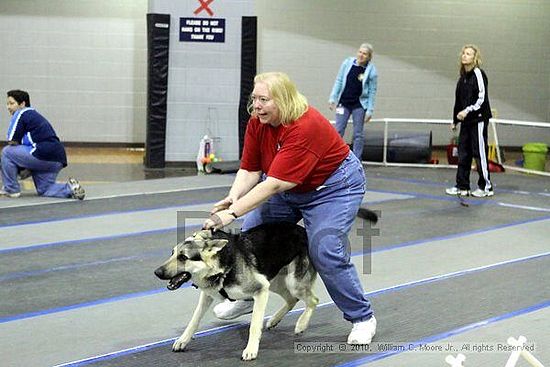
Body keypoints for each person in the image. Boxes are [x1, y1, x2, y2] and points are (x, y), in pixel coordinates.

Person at [203, 72, 376, 345]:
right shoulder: (257, 122)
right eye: (254, 99)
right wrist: (232, 198)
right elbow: (250, 168)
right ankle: (247, 296)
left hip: (333, 188)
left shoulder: (304, 126)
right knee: (248, 238)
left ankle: (362, 317)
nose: (256, 106)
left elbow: (272, 186)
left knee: (325, 251)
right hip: (287, 186)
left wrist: (231, 214)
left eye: (263, 100)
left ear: (283, 100)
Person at [1, 90, 85, 199]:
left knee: (7, 152)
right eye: (7, 104)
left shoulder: (22, 113)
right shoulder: (34, 116)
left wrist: (20, 167)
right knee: (45, 189)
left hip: (41, 154)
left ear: (22, 104)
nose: (8, 107)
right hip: (57, 159)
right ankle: (71, 188)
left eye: (12, 103)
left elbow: (12, 140)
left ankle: (11, 189)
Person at [445, 44, 493, 198]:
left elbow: (481, 98)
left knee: (479, 153)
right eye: (463, 53)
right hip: (466, 122)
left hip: (478, 120)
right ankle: (462, 186)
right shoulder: (462, 78)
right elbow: (458, 102)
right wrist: (455, 120)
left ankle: (486, 186)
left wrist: (467, 111)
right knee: (463, 153)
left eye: (469, 54)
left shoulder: (478, 74)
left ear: (475, 58)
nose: (464, 56)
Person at [329, 43, 378, 160]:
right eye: (360, 52)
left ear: (369, 57)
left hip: (359, 105)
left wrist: (370, 110)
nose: (361, 55)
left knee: (358, 134)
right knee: (338, 130)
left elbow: (372, 91)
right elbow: (339, 80)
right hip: (344, 102)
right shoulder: (347, 63)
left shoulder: (371, 71)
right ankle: (335, 157)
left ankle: (356, 159)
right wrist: (333, 98)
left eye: (364, 54)